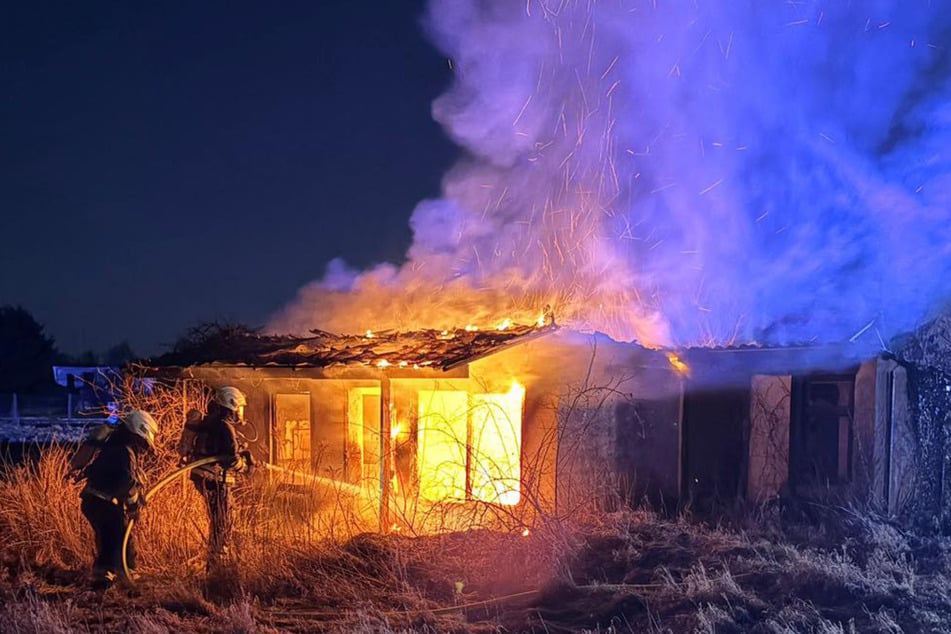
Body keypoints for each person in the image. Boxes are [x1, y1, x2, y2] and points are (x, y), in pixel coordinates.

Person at [78, 410, 157, 589]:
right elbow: (126, 482)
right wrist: (134, 504)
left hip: (94, 501)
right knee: (117, 537)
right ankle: (116, 577)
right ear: (140, 431)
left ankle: (112, 576)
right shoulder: (123, 451)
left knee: (112, 538)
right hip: (102, 502)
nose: (143, 446)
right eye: (144, 440)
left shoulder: (116, 445)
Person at [179, 386, 251, 563]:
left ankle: (216, 555)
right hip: (215, 478)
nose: (240, 412)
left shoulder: (210, 422)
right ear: (231, 405)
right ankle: (218, 560)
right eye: (239, 408)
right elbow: (230, 459)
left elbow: (221, 450)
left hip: (203, 476)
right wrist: (245, 467)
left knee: (220, 518)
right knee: (223, 519)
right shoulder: (225, 426)